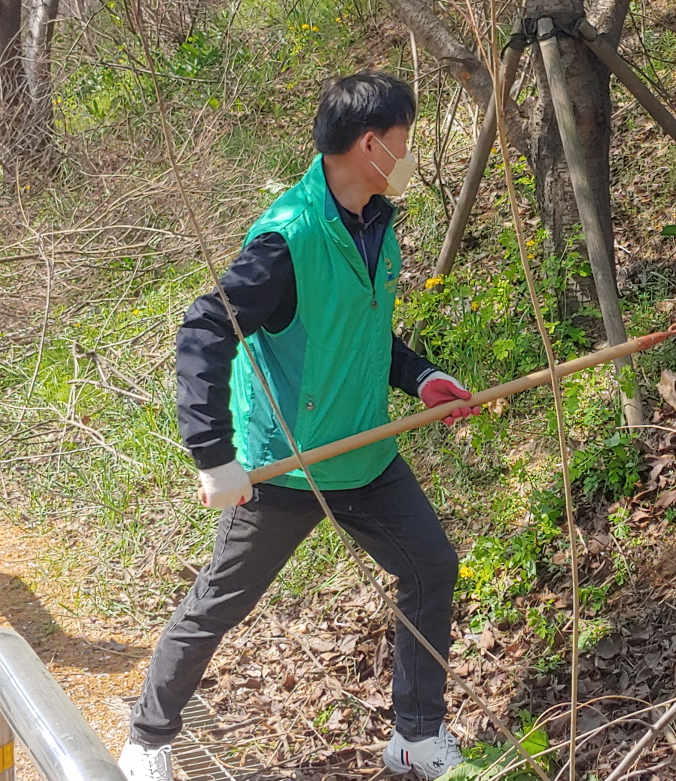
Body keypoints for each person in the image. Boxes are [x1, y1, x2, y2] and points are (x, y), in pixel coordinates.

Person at [118, 72, 480, 781]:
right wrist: (213, 455)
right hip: (288, 466)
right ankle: (148, 736)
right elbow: (202, 331)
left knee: (430, 566)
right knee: (221, 602)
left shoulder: (376, 223)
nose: (411, 156)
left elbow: (360, 334)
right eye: (404, 142)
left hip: (366, 454)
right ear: (371, 144)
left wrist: (421, 377)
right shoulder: (288, 240)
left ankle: (416, 736)